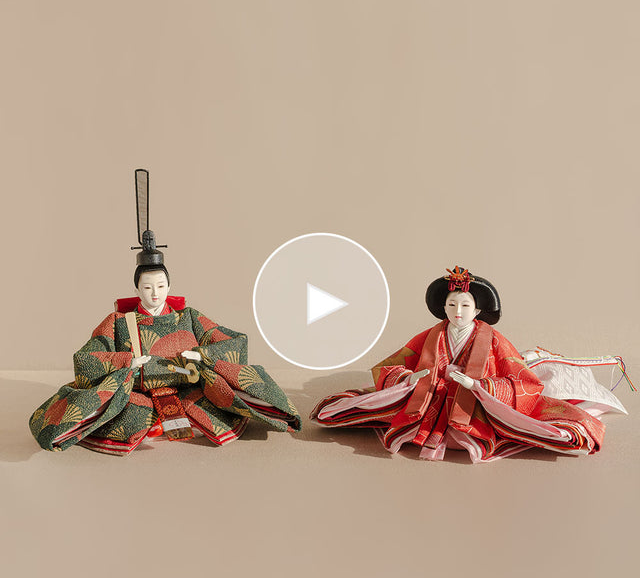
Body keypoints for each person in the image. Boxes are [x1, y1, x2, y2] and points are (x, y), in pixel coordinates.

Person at [29, 171, 301, 455]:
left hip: (189, 392)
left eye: (160, 286)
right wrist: (127, 362)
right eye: (147, 287)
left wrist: (203, 355)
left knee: (217, 405)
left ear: (169, 286)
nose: (155, 293)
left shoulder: (189, 317)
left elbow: (234, 343)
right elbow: (86, 360)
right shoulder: (118, 322)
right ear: (137, 288)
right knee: (128, 417)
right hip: (138, 396)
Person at [311, 266, 610, 462]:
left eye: (465, 305)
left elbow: (524, 382)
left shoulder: (493, 340)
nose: (458, 311)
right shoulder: (431, 335)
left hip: (473, 406)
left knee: (551, 427)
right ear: (443, 307)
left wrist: (480, 385)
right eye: (452, 304)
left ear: (477, 310)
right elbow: (391, 365)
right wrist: (407, 379)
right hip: (430, 401)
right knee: (347, 409)